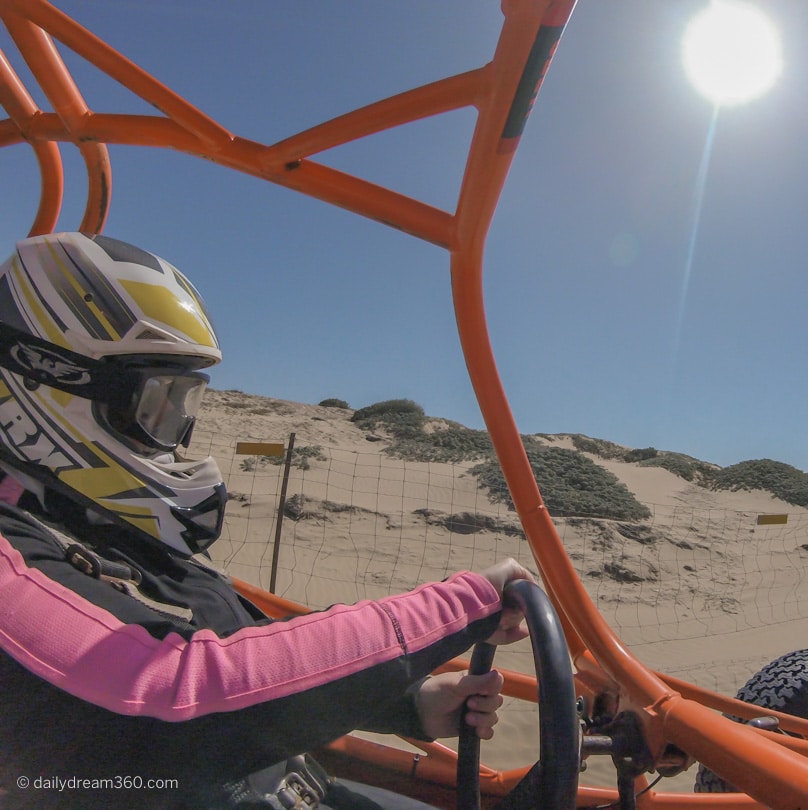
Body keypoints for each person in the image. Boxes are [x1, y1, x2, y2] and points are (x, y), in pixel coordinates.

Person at [0, 232, 535, 810]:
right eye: (156, 405)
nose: (174, 436)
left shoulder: (87, 515)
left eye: (183, 407)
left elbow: (241, 642)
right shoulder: (14, 546)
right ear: (44, 381)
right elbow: (170, 694)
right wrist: (457, 606)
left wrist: (411, 702)